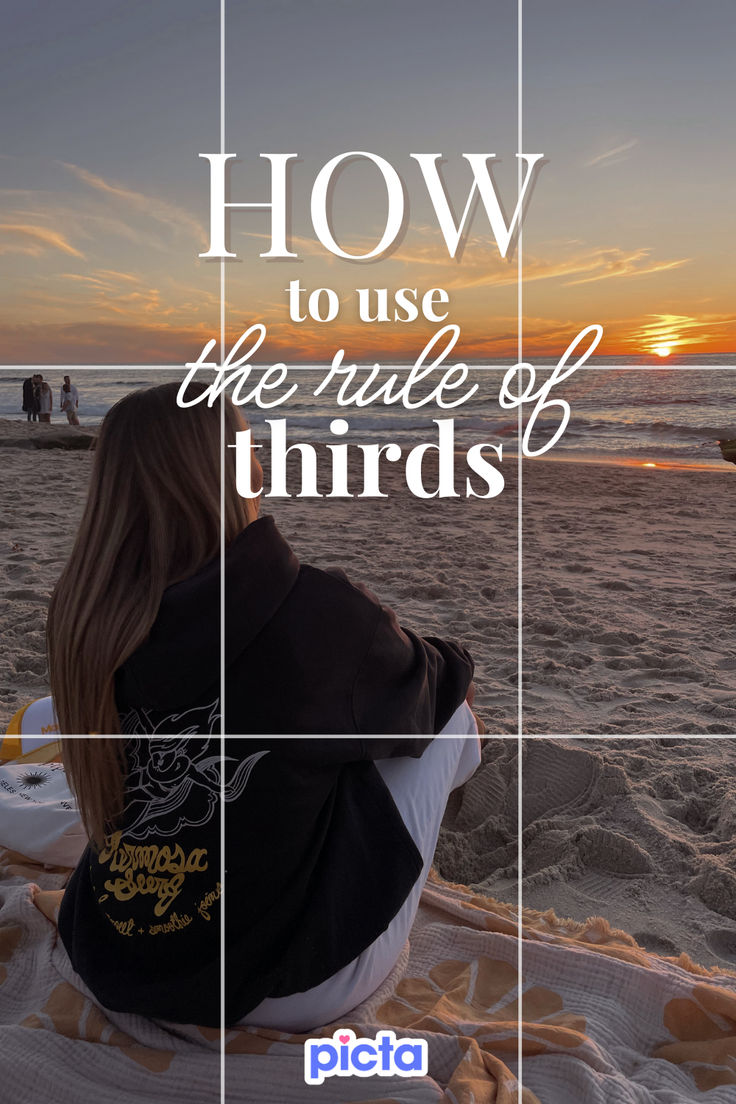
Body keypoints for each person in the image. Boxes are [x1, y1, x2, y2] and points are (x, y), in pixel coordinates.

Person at [47, 381, 475, 736]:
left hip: (129, 840)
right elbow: (450, 683)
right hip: (280, 839)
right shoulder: (317, 606)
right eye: (251, 449)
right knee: (453, 720)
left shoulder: (81, 612)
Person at [58, 733, 481, 1030]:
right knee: (447, 712)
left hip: (112, 954)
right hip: (284, 990)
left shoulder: (108, 616)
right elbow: (439, 681)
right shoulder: (315, 618)